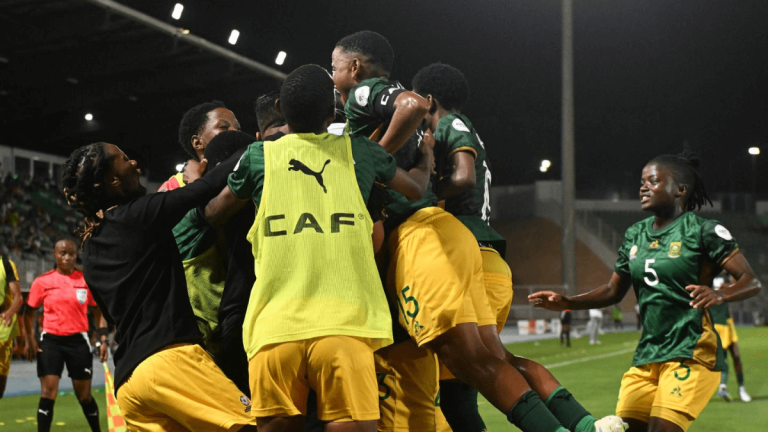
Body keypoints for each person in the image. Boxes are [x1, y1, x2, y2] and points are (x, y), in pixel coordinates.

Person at [334, 32, 626, 432]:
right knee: (473, 377)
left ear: (353, 67)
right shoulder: (427, 133)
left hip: (436, 242)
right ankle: (585, 427)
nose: (333, 77)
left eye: (334, 67)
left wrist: (374, 159)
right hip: (470, 246)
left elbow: (457, 171)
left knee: (472, 361)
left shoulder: (404, 107)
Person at [204, 64, 432, 432]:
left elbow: (215, 210)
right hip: (344, 326)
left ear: (281, 108)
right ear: (332, 113)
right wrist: (427, 157)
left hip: (274, 329)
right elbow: (416, 189)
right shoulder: (359, 151)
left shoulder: (260, 157)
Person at [412, 61, 622, 432]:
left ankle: (582, 430)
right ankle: (586, 427)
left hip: (464, 256)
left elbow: (462, 177)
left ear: (429, 100)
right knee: (469, 384)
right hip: (483, 256)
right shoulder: (463, 129)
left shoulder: (451, 124)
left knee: (487, 366)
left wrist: (424, 193)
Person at [529, 150, 762, 432]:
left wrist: (721, 294)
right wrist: (567, 302)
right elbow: (613, 291)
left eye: (652, 181)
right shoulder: (635, 235)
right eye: (642, 181)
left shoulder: (703, 231)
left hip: (691, 352)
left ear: (680, 189)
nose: (643, 187)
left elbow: (750, 280)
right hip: (647, 357)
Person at [61, 142, 256, 431]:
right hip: (170, 361)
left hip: (129, 383)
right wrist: (259, 147)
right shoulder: (138, 215)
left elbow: (113, 317)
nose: (135, 163)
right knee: (251, 425)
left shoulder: (89, 249)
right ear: (114, 179)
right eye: (125, 159)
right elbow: (207, 188)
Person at [23, 238, 108, 432]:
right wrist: (30, 340)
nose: (68, 257)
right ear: (55, 254)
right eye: (63, 253)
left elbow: (98, 311)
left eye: (71, 253)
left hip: (78, 342)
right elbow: (28, 313)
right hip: (51, 341)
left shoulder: (85, 280)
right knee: (48, 392)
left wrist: (102, 338)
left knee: (84, 396)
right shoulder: (42, 282)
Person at [158, 100, 241, 192]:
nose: (235, 131)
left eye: (238, 128)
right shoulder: (173, 187)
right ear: (198, 143)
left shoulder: (245, 173)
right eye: (224, 127)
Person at [710, 274, 751, 402]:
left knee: (736, 356)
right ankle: (723, 387)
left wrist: (727, 287)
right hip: (716, 323)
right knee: (723, 357)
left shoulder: (727, 277)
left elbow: (739, 286)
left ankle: (741, 389)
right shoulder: (706, 276)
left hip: (727, 322)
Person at [0, 254, 21, 398]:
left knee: (2, 368)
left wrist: (10, 312)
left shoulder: (6, 264)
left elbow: (18, 296)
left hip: (3, 322)